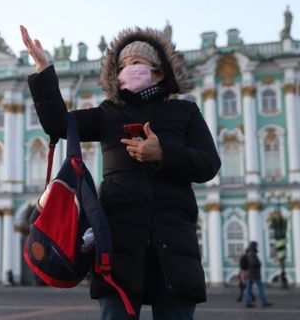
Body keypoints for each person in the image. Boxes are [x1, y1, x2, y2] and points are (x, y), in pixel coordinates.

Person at [20, 25, 220, 319]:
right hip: (118, 245)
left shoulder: (185, 113)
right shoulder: (108, 114)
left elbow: (208, 164)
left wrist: (163, 153)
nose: (129, 69)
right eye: (123, 66)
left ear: (159, 72)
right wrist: (43, 70)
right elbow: (59, 124)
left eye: (136, 63)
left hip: (174, 245)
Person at [243, 242, 272, 308]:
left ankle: (248, 303)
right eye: (256, 245)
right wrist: (259, 263)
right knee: (260, 288)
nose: (257, 247)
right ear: (254, 246)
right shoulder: (252, 253)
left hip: (251, 274)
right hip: (254, 274)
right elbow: (253, 263)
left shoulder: (249, 253)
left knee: (248, 289)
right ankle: (263, 302)